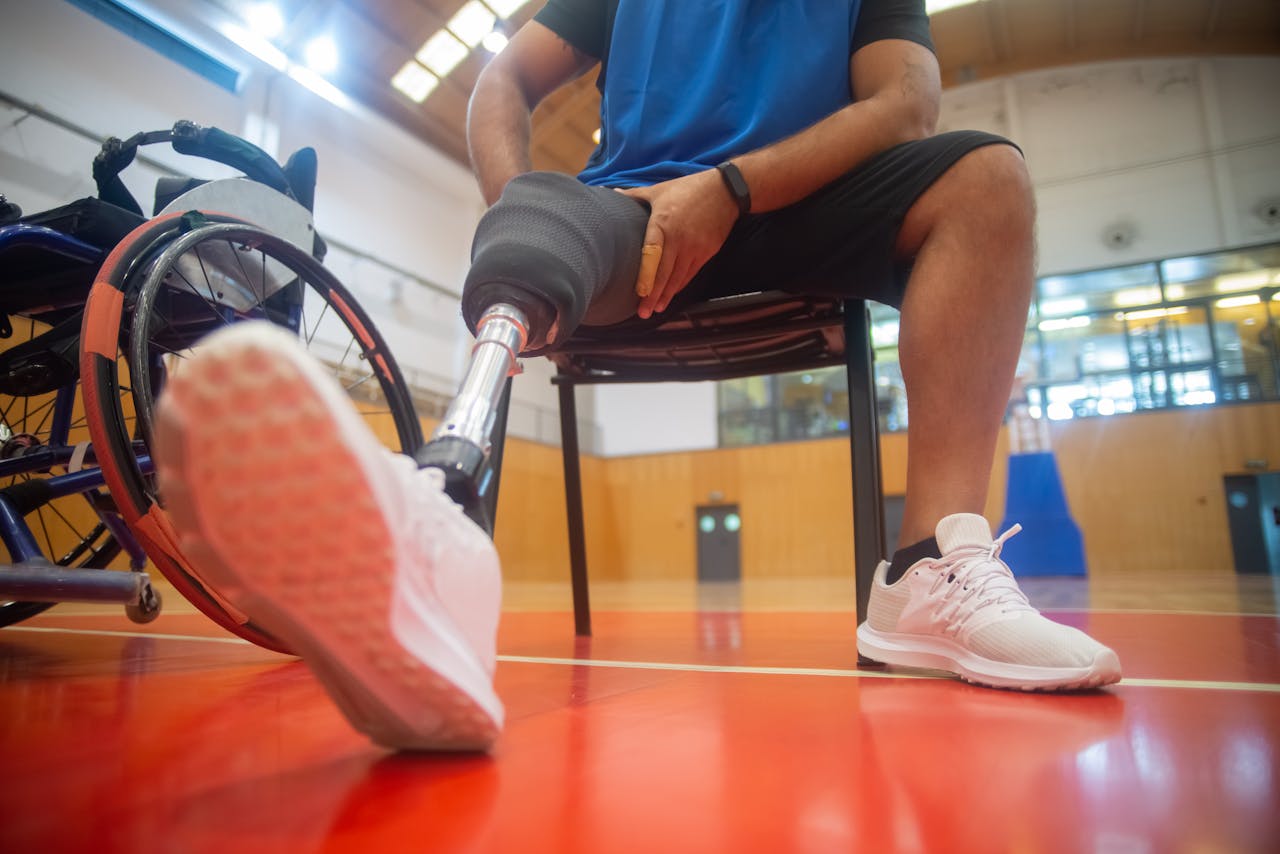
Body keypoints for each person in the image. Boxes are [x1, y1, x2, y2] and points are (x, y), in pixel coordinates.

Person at [153, 0, 1120, 752]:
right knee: (536, 219)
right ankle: (436, 529)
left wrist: (734, 187)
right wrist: (518, 210)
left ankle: (927, 571)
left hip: (802, 197)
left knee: (988, 181)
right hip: (640, 217)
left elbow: (905, 103)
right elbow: (504, 79)